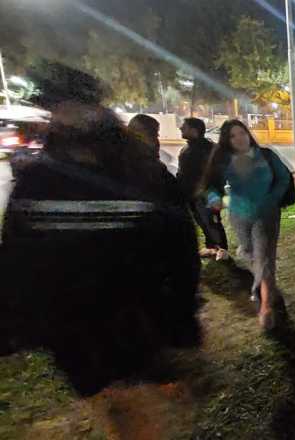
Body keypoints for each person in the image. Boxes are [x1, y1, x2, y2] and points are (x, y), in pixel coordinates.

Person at [0, 63, 200, 395]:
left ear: (97, 109)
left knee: (140, 402)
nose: (66, 117)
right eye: (57, 109)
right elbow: (19, 251)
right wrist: (14, 319)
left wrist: (180, 311)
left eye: (74, 106)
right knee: (109, 401)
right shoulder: (39, 178)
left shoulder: (140, 172)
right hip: (72, 325)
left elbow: (179, 242)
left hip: (136, 317)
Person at [204, 120, 292, 331]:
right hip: (239, 214)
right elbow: (210, 186)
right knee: (249, 253)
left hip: (266, 214)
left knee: (263, 257)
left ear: (248, 133)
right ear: (227, 140)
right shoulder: (224, 160)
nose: (239, 138)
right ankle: (266, 288)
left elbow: (284, 178)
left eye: (241, 133)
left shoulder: (266, 155)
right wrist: (214, 197)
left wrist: (273, 198)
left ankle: (265, 307)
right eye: (232, 136)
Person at [178, 117, 228, 260]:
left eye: (184, 127)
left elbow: (220, 172)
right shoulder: (187, 148)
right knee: (202, 220)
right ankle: (211, 247)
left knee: (212, 220)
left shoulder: (209, 148)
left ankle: (222, 249)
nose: (180, 128)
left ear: (194, 130)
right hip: (192, 194)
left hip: (208, 193)